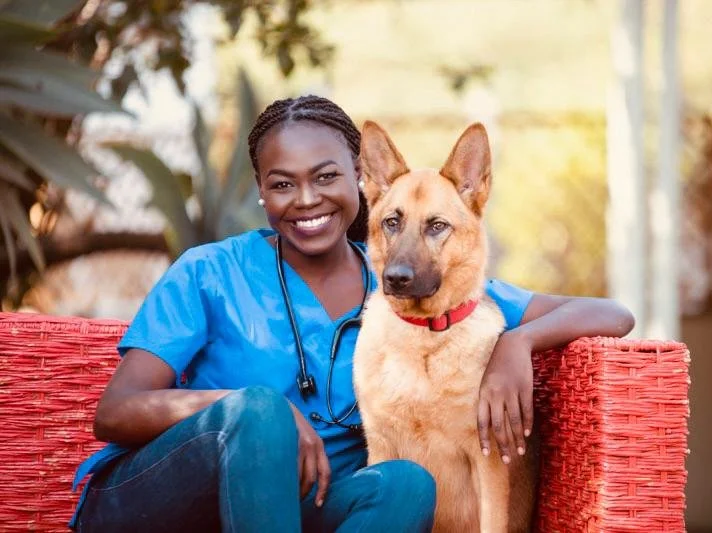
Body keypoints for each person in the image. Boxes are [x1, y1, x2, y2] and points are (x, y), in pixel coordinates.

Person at [69, 95, 635, 532]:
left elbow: (610, 313)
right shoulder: (208, 272)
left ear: (360, 182)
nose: (308, 199)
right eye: (283, 184)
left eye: (327, 176)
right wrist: (245, 410)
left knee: (405, 487)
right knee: (263, 411)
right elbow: (114, 413)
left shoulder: (411, 281)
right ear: (262, 194)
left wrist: (516, 344)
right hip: (157, 502)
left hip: (294, 511)